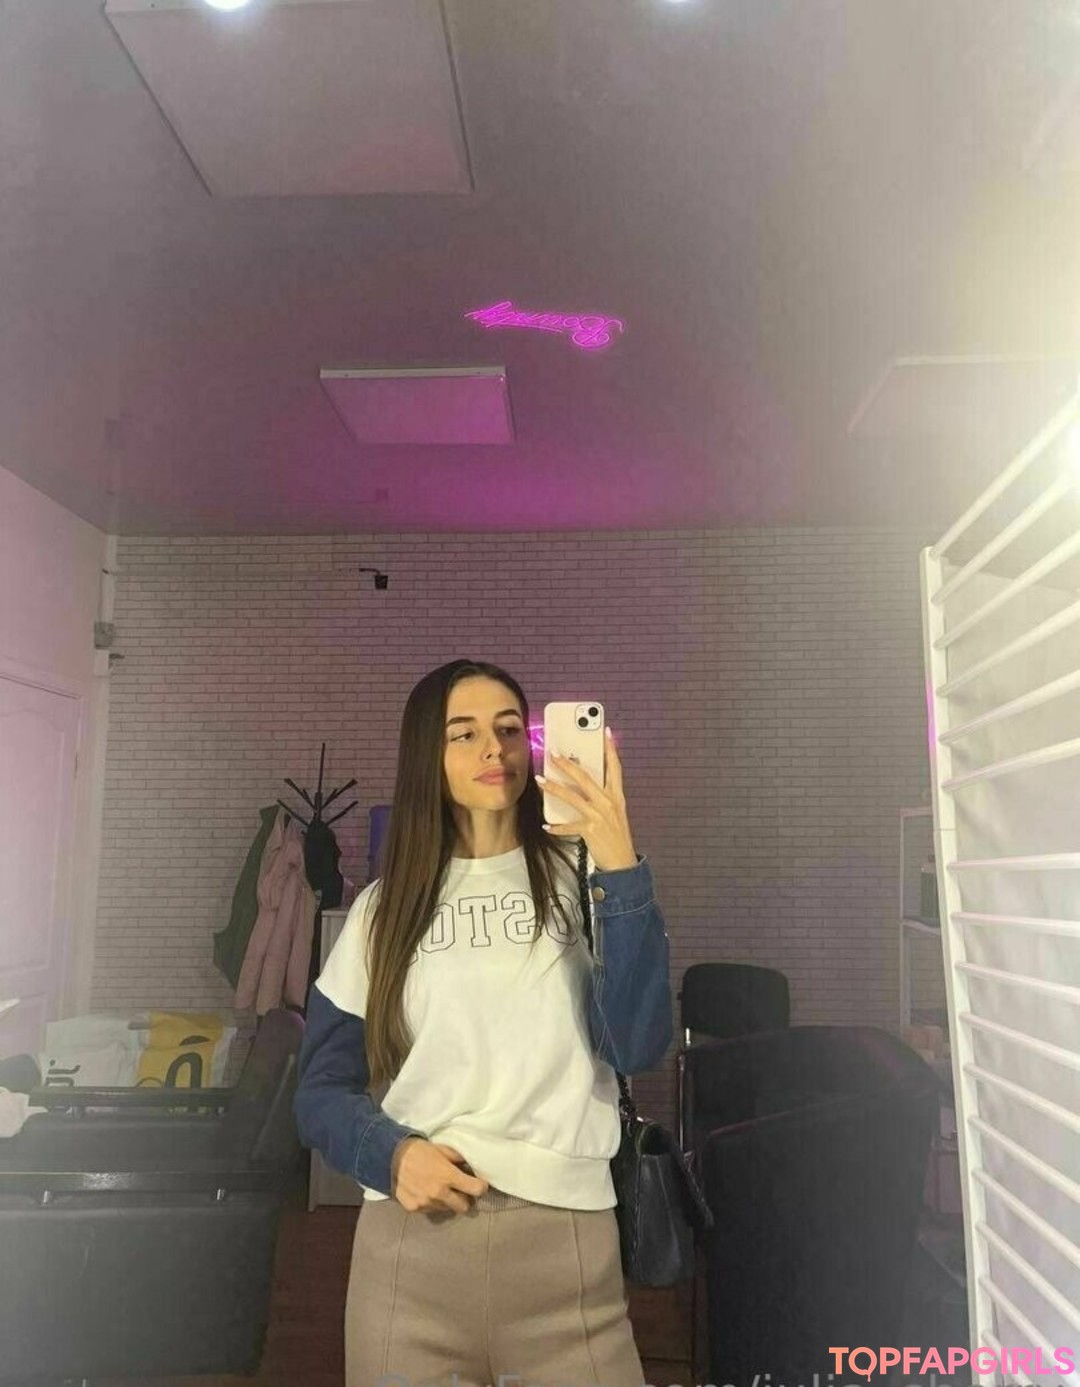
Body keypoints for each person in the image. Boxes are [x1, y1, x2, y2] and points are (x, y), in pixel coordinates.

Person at [294, 659, 673, 1387]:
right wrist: (390, 1154)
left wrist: (621, 867)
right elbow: (318, 1091)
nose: (493, 749)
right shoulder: (381, 911)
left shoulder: (586, 879)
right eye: (463, 733)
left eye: (507, 729)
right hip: (412, 1256)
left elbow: (637, 1043)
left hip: (568, 1254)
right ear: (426, 756)